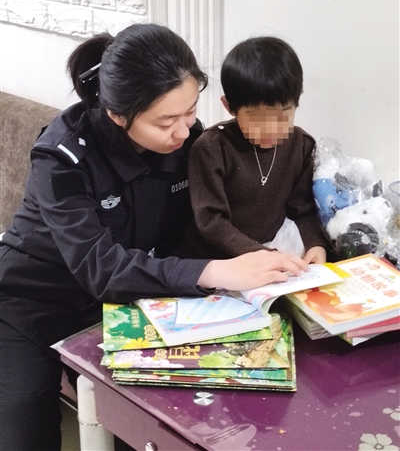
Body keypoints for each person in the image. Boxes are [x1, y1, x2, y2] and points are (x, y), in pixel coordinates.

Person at [0, 24, 309, 451]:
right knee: (24, 430)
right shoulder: (62, 159)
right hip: (34, 301)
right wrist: (216, 271)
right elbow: (102, 267)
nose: (184, 131)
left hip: (133, 302)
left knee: (154, 427)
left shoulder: (188, 142)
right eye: (166, 121)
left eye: (190, 112)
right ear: (118, 114)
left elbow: (205, 221)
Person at [187, 36, 329, 262]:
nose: (271, 128)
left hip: (270, 252)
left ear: (296, 101)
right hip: (217, 260)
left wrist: (316, 244)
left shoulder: (302, 145)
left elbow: (303, 209)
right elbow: (211, 222)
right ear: (229, 106)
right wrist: (261, 255)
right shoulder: (212, 148)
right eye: (257, 118)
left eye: (283, 113)